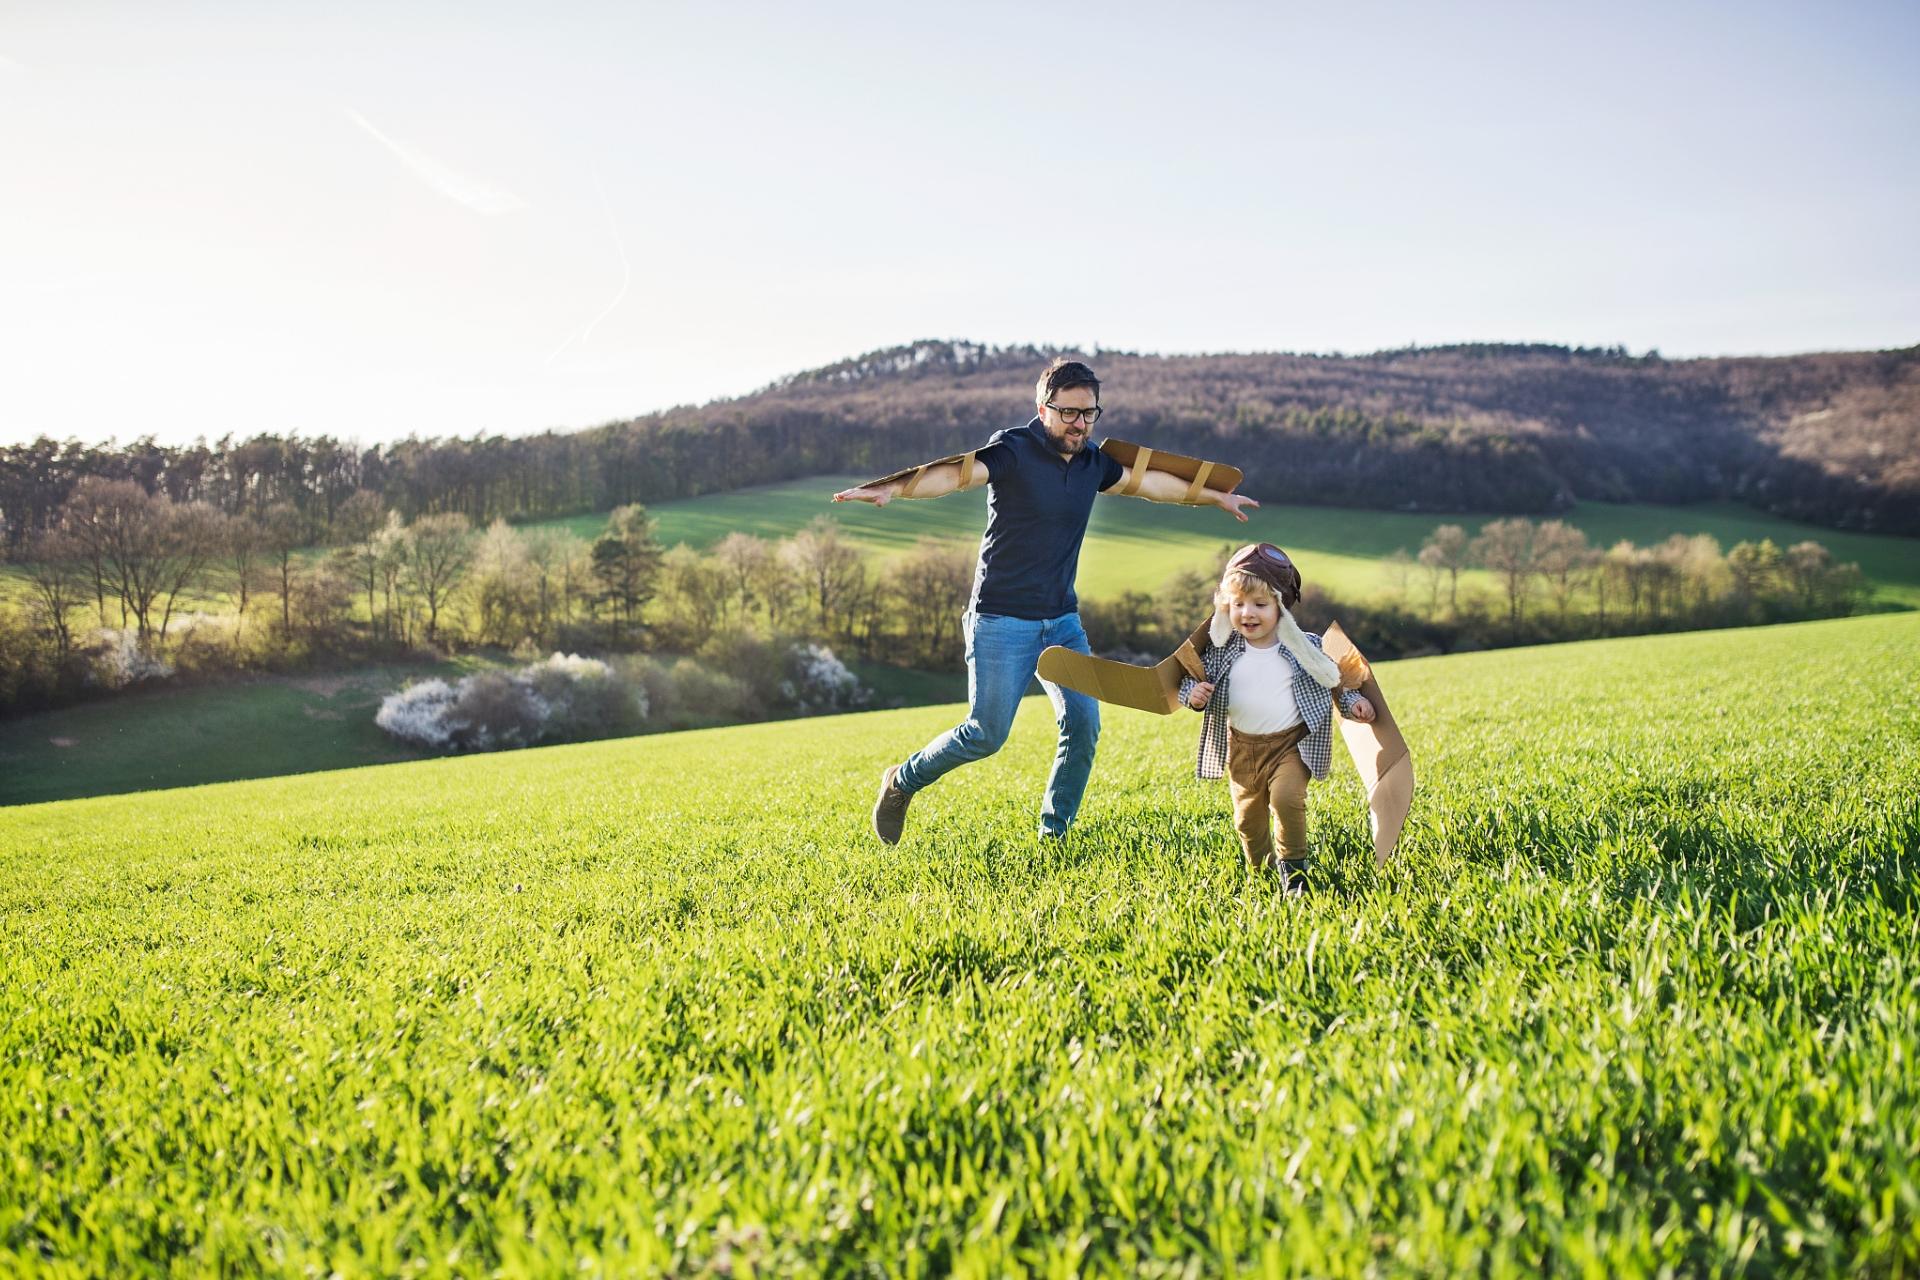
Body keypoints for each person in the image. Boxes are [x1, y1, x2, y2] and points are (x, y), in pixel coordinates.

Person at [833, 357, 1258, 843]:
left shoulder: (1093, 462)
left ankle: (1054, 837)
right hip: (1000, 618)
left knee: (1083, 725)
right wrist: (893, 488)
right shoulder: (1012, 449)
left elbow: (1151, 485)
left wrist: (1213, 497)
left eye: (1089, 413)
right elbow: (954, 475)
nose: (1079, 424)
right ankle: (901, 781)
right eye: (1069, 413)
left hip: (1060, 620)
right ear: (1043, 408)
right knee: (986, 734)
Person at [1178, 543, 1375, 893]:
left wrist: (1354, 703)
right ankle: (1264, 871)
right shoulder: (1220, 651)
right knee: (1248, 823)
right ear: (1226, 607)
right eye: (1237, 604)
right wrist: (1191, 696)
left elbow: (1334, 681)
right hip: (1241, 750)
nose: (1247, 613)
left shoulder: (1305, 647)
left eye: (1260, 605)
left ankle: (1295, 874)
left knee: (1286, 799)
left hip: (1291, 745)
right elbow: (1188, 681)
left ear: (1280, 607)